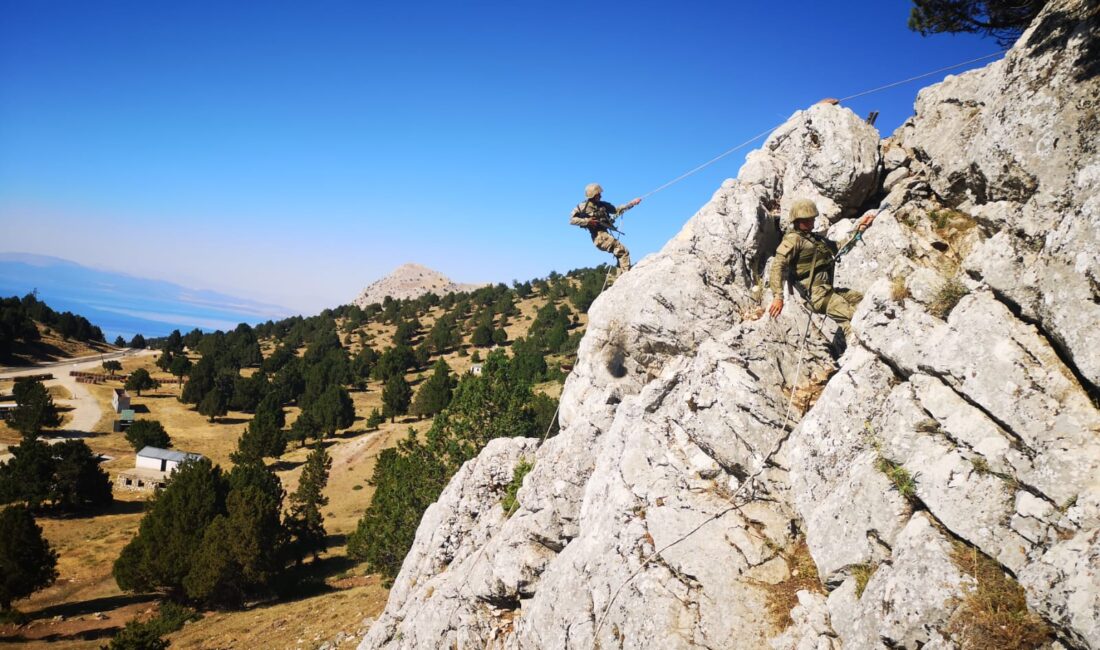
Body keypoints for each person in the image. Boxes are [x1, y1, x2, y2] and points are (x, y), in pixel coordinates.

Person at [767, 198, 877, 338]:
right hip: (816, 296)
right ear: (796, 221)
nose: (810, 223)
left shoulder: (816, 239)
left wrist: (860, 230)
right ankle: (856, 345)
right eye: (805, 220)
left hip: (827, 291)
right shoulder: (793, 240)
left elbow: (840, 247)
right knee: (852, 317)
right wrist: (778, 297)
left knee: (860, 300)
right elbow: (778, 266)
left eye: (811, 219)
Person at [570, 183, 641, 280]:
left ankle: (620, 279)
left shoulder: (603, 205)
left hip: (604, 234)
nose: (600, 196)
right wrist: (587, 221)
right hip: (599, 237)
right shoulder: (582, 207)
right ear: (594, 195)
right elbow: (572, 220)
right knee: (623, 251)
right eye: (599, 194)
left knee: (619, 254)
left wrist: (631, 204)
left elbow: (616, 210)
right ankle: (626, 278)